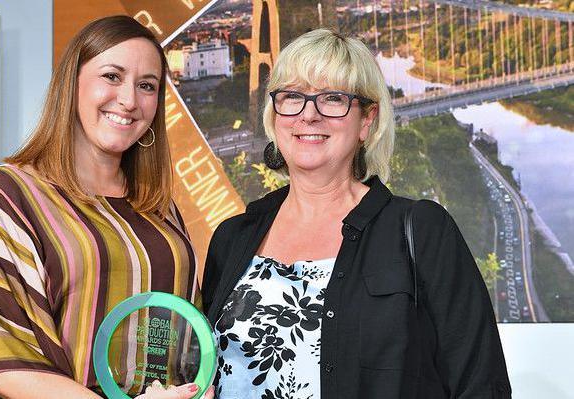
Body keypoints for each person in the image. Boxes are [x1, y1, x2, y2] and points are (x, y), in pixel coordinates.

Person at [202, 29, 511, 398]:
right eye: (292, 97)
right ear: (275, 114)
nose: (309, 115)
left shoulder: (422, 231)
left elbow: (481, 386)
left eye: (333, 98)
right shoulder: (232, 237)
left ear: (366, 120)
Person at [0, 16, 212, 399]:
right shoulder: (7, 195)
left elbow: (188, 336)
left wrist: (198, 385)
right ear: (71, 84)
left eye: (147, 86)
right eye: (111, 76)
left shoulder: (160, 208)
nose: (129, 100)